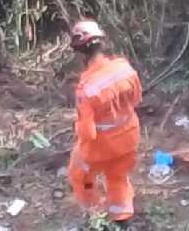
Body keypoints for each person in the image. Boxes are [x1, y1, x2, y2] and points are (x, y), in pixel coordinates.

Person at [67, 19, 142, 225]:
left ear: (80, 53)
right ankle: (122, 216)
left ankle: (95, 214)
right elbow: (136, 99)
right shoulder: (124, 68)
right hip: (130, 137)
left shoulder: (87, 88)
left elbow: (88, 133)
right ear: (102, 43)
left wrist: (78, 128)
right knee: (118, 176)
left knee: (80, 177)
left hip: (102, 147)